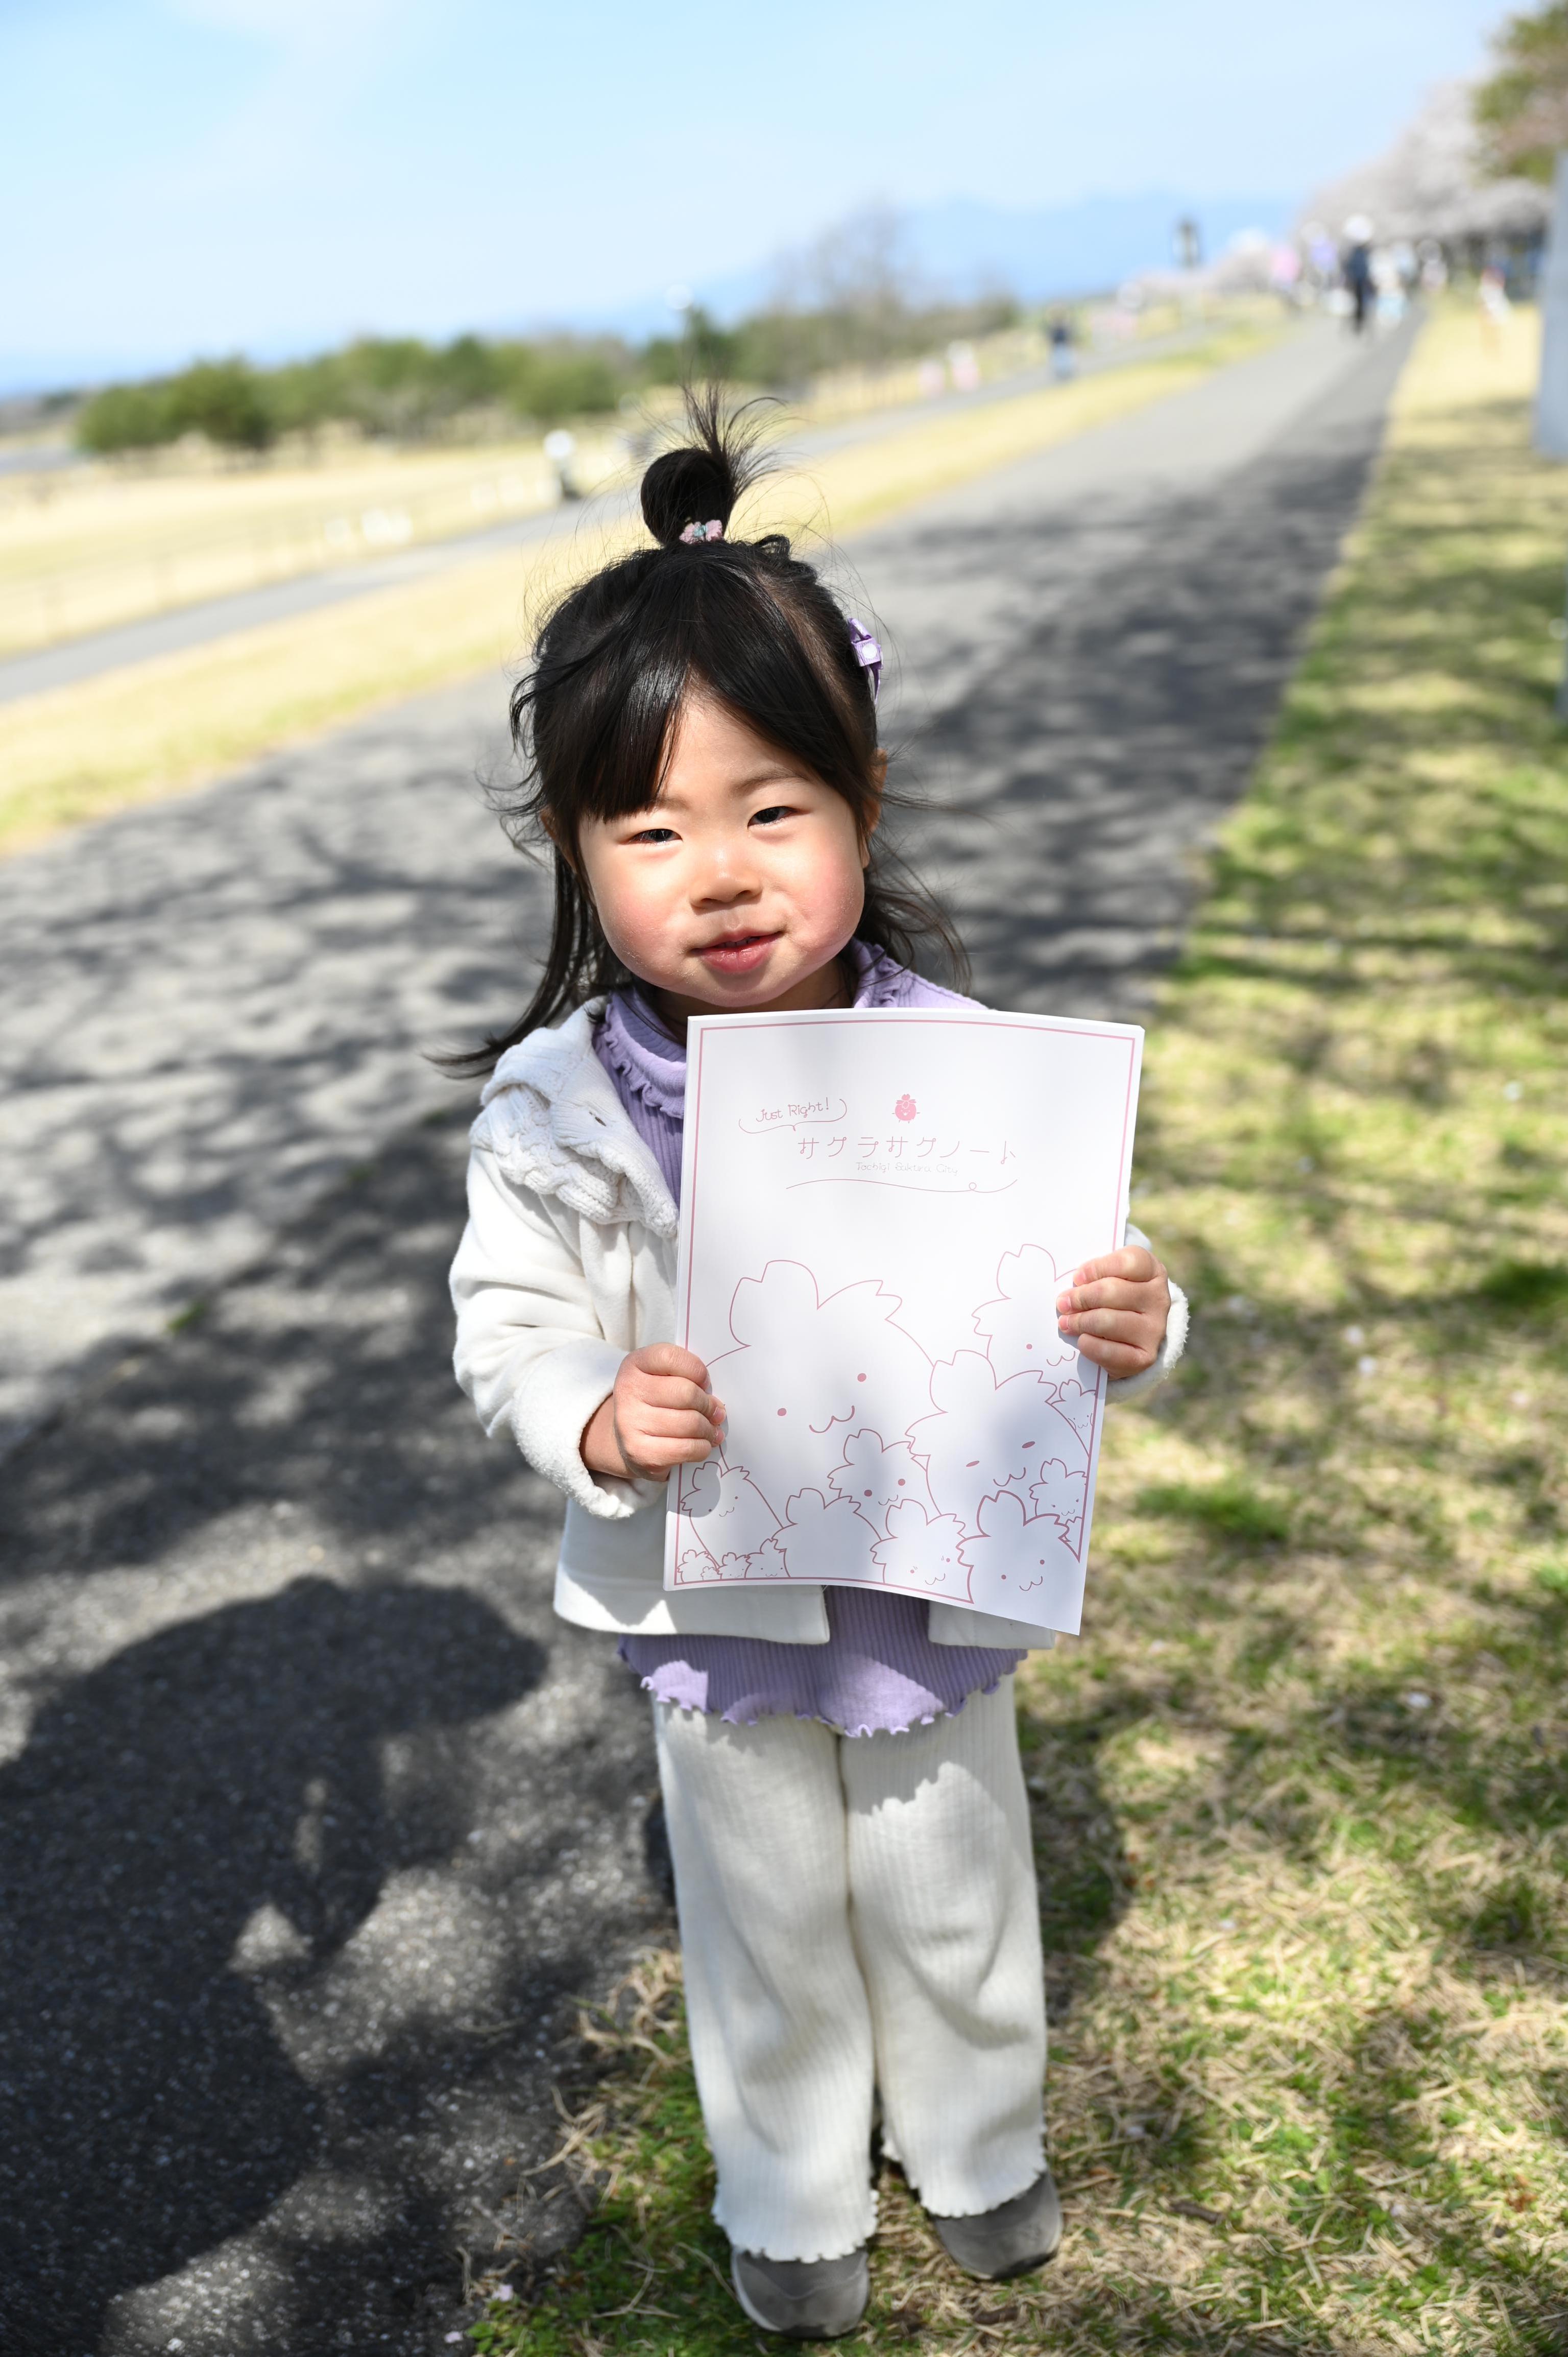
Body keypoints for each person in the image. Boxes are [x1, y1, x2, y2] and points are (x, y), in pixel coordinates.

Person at [448, 400, 1189, 2340]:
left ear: (862, 801)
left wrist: (1144, 1322)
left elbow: (1092, 1282)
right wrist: (591, 1416)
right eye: (653, 828)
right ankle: (786, 2191)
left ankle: (981, 2143)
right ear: (573, 852)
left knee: (953, 1886)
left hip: (929, 1581)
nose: (722, 870)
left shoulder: (973, 1072)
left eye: (774, 809)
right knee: (766, 1916)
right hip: (707, 1590)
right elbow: (508, 1323)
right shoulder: (558, 1107)